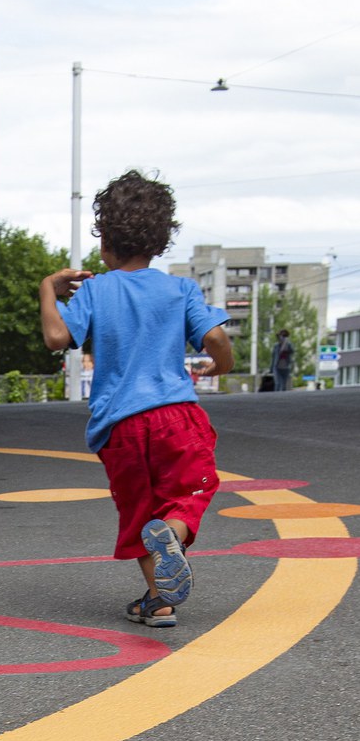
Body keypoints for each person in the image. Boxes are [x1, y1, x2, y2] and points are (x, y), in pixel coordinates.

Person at [38, 169, 234, 628]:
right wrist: (220, 367)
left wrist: (48, 289)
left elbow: (55, 336)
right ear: (161, 240)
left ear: (104, 240)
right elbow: (218, 338)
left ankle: (158, 601)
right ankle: (176, 533)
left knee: (141, 511)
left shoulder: (97, 290)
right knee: (192, 488)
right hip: (176, 417)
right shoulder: (179, 288)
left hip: (120, 426)